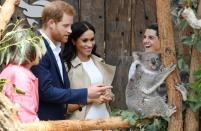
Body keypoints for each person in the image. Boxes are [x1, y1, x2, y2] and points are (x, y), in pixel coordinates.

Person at [31, 1, 112, 120]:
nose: (70, 30)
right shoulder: (38, 46)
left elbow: (61, 92)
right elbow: (46, 92)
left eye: (70, 25)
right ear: (51, 23)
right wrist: (86, 93)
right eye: (65, 26)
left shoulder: (56, 48)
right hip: (45, 123)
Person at [63, 21, 116, 120]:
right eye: (85, 40)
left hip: (105, 120)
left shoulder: (99, 62)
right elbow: (64, 107)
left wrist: (109, 96)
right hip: (81, 124)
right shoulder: (66, 67)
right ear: (74, 41)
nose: (90, 44)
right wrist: (90, 99)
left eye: (92, 39)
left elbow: (109, 93)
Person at [0, 24, 46, 123]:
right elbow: (25, 117)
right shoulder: (20, 76)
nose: (42, 51)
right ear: (29, 48)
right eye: (39, 46)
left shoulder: (12, 70)